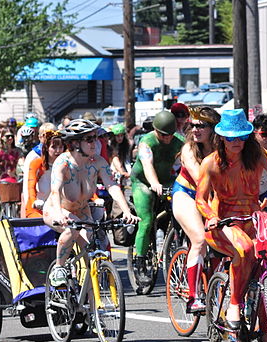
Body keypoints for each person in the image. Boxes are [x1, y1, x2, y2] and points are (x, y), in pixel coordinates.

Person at [195, 109, 267, 338]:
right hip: (224, 222)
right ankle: (234, 304)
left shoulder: (256, 156)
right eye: (231, 137)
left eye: (241, 137)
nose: (237, 142)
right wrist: (211, 216)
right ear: (221, 137)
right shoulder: (210, 163)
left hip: (253, 217)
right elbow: (200, 199)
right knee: (245, 249)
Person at [43, 119, 138, 286]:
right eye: (89, 139)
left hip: (82, 210)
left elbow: (112, 186)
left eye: (95, 138)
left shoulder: (98, 162)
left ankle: (88, 303)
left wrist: (127, 211)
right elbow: (55, 191)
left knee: (94, 248)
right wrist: (59, 214)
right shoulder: (62, 162)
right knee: (72, 229)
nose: (95, 142)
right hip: (56, 210)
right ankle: (58, 268)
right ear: (75, 142)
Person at [171, 106, 219, 313]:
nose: (196, 129)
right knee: (199, 239)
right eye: (193, 125)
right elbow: (201, 178)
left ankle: (218, 284)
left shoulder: (222, 147)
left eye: (202, 125)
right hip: (187, 194)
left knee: (222, 241)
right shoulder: (189, 149)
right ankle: (194, 297)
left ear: (214, 128)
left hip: (213, 196)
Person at [130, 110, 184, 291]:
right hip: (143, 182)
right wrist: (154, 183)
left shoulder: (180, 142)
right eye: (162, 135)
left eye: (170, 135)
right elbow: (147, 165)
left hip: (168, 181)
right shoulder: (146, 142)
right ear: (155, 130)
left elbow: (191, 161)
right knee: (146, 221)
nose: (167, 139)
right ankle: (140, 262)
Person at [25, 129, 64, 218]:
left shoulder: (66, 164)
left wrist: (94, 198)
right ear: (46, 148)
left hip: (58, 207)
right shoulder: (37, 163)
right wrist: (34, 201)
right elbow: (31, 186)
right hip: (38, 208)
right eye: (54, 147)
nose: (58, 151)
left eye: (61, 147)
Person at [0, 131, 21, 215]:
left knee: (18, 200)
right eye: (7, 136)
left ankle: (16, 215)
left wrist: (23, 171)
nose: (10, 138)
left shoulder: (17, 150)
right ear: (2, 137)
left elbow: (22, 163)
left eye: (11, 136)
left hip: (13, 178)